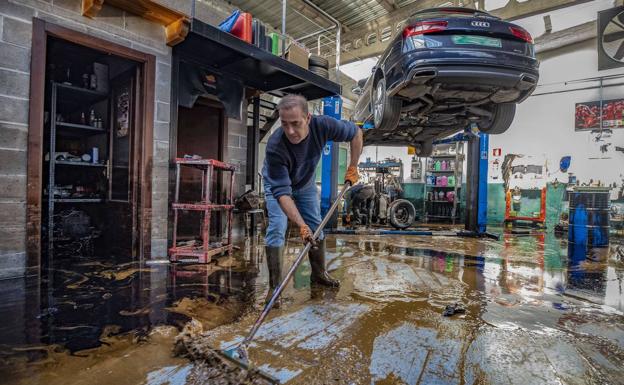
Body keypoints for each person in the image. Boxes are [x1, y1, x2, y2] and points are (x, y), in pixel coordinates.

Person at [262, 94, 363, 295]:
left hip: (305, 183)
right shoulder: (275, 146)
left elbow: (356, 133)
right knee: (277, 228)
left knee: (316, 226)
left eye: (295, 123)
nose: (290, 131)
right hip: (278, 187)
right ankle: (275, 287)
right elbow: (282, 194)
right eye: (284, 124)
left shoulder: (323, 125)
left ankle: (318, 274)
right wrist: (301, 225)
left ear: (308, 118)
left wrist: (353, 166)